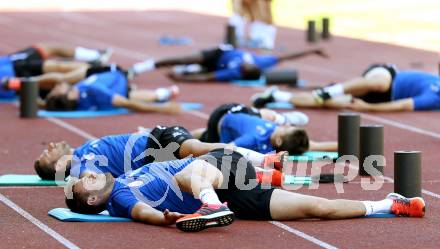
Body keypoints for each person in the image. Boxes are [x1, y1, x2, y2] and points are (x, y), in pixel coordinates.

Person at [64, 149, 425, 232]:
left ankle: (209, 205)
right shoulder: (120, 198)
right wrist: (165, 218)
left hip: (218, 166)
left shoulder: (123, 178)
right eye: (87, 182)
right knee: (318, 209)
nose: (92, 175)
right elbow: (141, 213)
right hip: (232, 194)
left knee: (188, 171)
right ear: (94, 199)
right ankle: (388, 203)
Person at [34, 126, 283, 182]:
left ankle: (262, 175)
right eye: (48, 154)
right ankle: (264, 161)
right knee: (199, 151)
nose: (50, 146)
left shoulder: (82, 152)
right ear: (57, 165)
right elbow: (92, 179)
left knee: (203, 160)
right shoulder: (81, 164)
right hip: (156, 148)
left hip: (155, 149)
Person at [251, 64, 440, 112]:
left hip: (382, 99)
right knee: (381, 84)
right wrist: (369, 109)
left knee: (327, 103)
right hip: (387, 75)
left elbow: (404, 105)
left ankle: (277, 95)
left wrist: (368, 107)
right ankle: (330, 90)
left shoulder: (435, 97)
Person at [191, 103, 337, 155]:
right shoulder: (261, 137)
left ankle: (190, 136)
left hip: (225, 128)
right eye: (287, 125)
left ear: (279, 141)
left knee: (205, 138)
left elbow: (227, 149)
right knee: (265, 115)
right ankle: (282, 117)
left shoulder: (254, 140)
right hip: (224, 114)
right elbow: (228, 149)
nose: (285, 127)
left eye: (286, 128)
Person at [141, 44, 327, 82]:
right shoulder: (261, 61)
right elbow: (287, 57)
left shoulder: (234, 73)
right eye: (250, 66)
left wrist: (181, 78)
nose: (247, 65)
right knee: (184, 59)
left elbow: (208, 77)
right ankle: (150, 64)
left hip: (215, 65)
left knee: (189, 70)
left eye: (247, 69)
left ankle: (186, 70)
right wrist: (312, 51)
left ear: (245, 74)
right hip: (219, 52)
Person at [42, 66, 180, 113]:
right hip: (117, 76)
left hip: (109, 77)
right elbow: (127, 103)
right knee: (130, 95)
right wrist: (161, 109)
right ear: (70, 96)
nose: (56, 86)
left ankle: (159, 93)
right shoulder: (94, 91)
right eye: (56, 90)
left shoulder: (78, 93)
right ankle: (161, 94)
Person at [0, 43, 112, 98]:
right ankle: (96, 63)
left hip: (11, 67)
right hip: (13, 69)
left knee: (59, 69)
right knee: (59, 70)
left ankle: (95, 64)